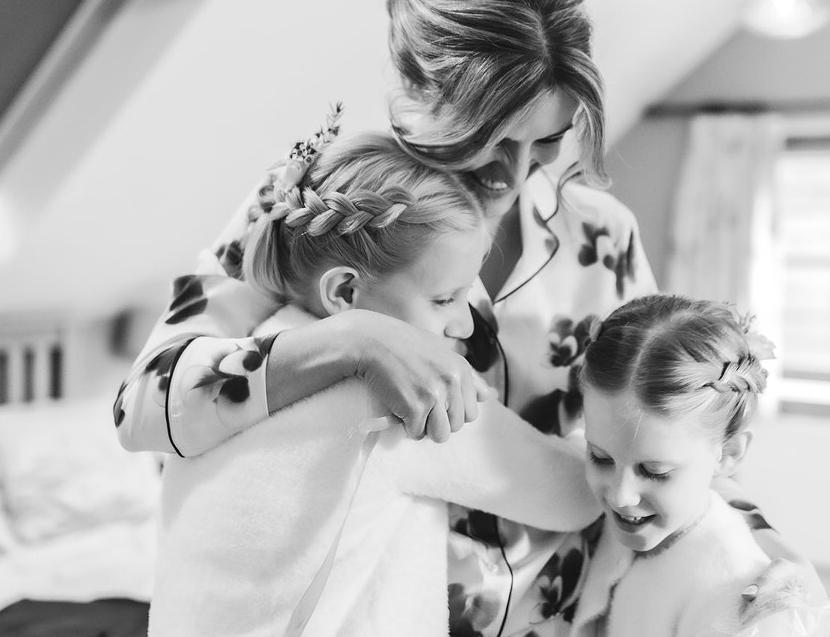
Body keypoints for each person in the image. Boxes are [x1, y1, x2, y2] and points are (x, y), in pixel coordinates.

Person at [115, 0, 818, 636]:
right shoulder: (323, 212)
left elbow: (669, 427)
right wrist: (354, 341)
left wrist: (756, 545)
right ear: (418, 94)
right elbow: (144, 403)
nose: (513, 176)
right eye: (488, 139)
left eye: (546, 140)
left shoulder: (603, 239)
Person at [149, 122, 603, 636]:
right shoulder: (400, 395)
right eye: (444, 299)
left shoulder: (237, 369)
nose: (465, 323)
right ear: (345, 292)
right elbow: (576, 496)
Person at [569, 295, 830, 637]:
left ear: (727, 454)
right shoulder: (643, 529)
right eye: (599, 457)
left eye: (654, 471)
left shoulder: (736, 599)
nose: (621, 495)